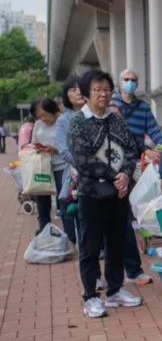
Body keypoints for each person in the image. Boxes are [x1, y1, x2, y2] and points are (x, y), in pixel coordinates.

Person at [67, 70, 143, 318]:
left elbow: (132, 149)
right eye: (97, 89)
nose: (103, 93)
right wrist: (114, 175)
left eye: (107, 89)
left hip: (118, 193)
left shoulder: (116, 119)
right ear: (86, 94)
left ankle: (114, 290)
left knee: (116, 243)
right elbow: (83, 159)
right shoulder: (79, 122)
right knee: (90, 246)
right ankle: (90, 296)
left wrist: (126, 174)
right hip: (91, 193)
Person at [29, 98, 65, 235]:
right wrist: (38, 147)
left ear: (52, 110)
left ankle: (70, 234)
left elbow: (69, 145)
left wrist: (54, 149)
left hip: (61, 166)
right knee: (42, 201)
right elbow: (33, 141)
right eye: (39, 116)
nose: (43, 119)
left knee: (63, 200)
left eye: (45, 115)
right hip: (43, 167)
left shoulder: (62, 121)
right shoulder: (38, 124)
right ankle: (44, 230)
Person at [55, 75, 84, 244]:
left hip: (102, 173)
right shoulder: (63, 120)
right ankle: (87, 252)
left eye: (81, 88)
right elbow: (63, 150)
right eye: (73, 90)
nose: (78, 92)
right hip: (77, 174)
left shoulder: (98, 114)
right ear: (66, 95)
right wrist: (85, 164)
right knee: (80, 215)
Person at [113, 69, 162, 162]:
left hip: (135, 157)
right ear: (120, 82)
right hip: (114, 156)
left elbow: (154, 131)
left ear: (137, 84)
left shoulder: (143, 107)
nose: (130, 82)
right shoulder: (111, 103)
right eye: (126, 79)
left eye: (133, 80)